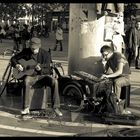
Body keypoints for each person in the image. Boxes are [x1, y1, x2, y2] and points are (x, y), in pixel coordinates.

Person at [10, 37, 63, 117]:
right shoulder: (26, 51)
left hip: (42, 77)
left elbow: (49, 70)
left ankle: (56, 107)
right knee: (26, 81)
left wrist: (41, 69)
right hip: (31, 76)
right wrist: (17, 65)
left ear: (39, 46)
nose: (33, 50)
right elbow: (13, 59)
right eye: (32, 48)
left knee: (54, 81)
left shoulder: (45, 54)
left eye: (35, 48)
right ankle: (26, 108)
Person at [100, 45, 131, 111]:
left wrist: (107, 76)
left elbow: (119, 72)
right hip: (118, 76)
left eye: (105, 55)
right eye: (103, 55)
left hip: (125, 77)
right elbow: (105, 72)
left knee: (117, 82)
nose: (104, 57)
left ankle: (115, 102)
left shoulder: (118, 56)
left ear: (110, 52)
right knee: (105, 81)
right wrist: (103, 64)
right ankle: (107, 100)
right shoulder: (108, 59)